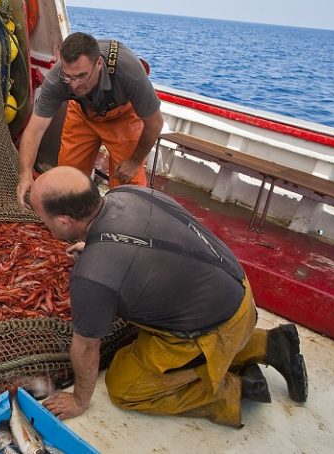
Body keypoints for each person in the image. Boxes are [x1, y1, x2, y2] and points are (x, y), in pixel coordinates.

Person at [28, 166, 308, 427]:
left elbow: (87, 346)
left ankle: (233, 392)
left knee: (125, 387)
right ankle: (269, 344)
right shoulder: (128, 192)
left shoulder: (92, 276)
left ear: (65, 221)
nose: (44, 225)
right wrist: (94, 246)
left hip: (214, 328)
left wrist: (79, 400)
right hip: (240, 293)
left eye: (44, 219)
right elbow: (143, 237)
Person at [17, 32, 164, 209]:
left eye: (80, 76)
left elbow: (155, 124)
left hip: (123, 116)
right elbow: (34, 130)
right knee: (68, 180)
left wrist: (134, 161)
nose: (73, 84)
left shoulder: (128, 71)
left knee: (128, 183)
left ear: (99, 64)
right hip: (83, 113)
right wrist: (25, 174)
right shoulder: (57, 79)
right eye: (68, 76)